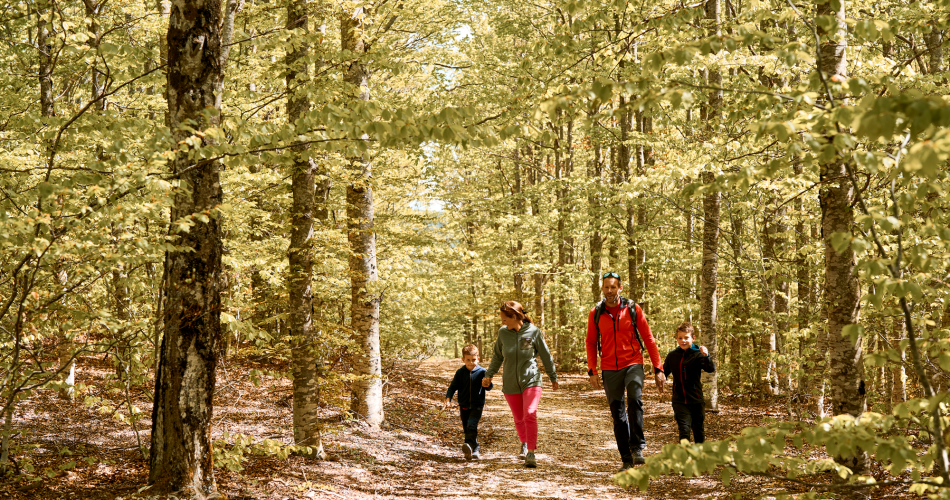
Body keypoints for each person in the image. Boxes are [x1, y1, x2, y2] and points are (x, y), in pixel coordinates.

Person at [586, 272, 666, 471]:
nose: (610, 291)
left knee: (635, 398)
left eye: (614, 287)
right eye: (607, 287)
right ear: (602, 289)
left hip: (633, 363)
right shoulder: (595, 312)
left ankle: (637, 446)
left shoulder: (632, 308)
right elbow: (590, 342)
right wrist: (592, 370)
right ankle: (626, 459)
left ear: (620, 288)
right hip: (609, 368)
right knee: (618, 414)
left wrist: (658, 368)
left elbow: (648, 338)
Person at [483, 301, 557, 468]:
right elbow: (497, 357)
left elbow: (545, 355)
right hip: (510, 382)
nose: (502, 323)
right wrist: (489, 375)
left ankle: (531, 452)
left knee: (529, 413)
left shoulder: (533, 332)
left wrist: (553, 376)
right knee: (518, 418)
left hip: (531, 379)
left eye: (504, 319)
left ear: (515, 316)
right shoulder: (503, 333)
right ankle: (524, 442)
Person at [662, 321, 715, 445]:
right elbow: (664, 371)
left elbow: (710, 368)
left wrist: (706, 356)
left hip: (696, 400)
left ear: (693, 338)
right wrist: (660, 377)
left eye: (686, 338)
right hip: (679, 400)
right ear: (677, 338)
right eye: (680, 338)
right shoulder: (672, 355)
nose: (683, 341)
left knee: (698, 431)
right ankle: (684, 460)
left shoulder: (698, 355)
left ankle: (700, 458)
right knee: (684, 430)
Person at [445, 344, 493, 460]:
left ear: (478, 359)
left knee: (472, 425)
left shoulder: (482, 372)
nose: (471, 362)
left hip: (477, 405)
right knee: (467, 428)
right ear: (463, 359)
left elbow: (488, 387)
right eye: (468, 360)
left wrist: (488, 384)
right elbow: (453, 387)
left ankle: (469, 448)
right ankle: (474, 448)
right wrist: (448, 399)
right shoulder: (460, 373)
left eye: (474, 360)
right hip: (464, 405)